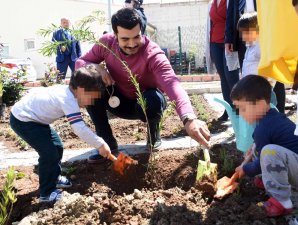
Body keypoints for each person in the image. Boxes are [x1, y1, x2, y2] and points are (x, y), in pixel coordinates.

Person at [75, 8, 210, 163]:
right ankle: (107, 144)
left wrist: (189, 118)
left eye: (136, 37)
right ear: (115, 35)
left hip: (146, 105)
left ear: (142, 32)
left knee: (152, 99)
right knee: (89, 86)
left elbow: (173, 85)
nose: (132, 44)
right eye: (125, 39)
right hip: (117, 100)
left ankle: (153, 135)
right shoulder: (106, 44)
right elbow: (80, 62)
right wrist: (95, 67)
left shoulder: (153, 54)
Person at [10, 66, 111, 202]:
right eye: (91, 98)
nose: (91, 102)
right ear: (80, 90)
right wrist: (100, 144)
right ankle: (46, 193)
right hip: (23, 120)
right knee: (49, 154)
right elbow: (79, 128)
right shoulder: (67, 100)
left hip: (36, 119)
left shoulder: (69, 93)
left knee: (57, 146)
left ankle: (54, 177)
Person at [231, 75, 298, 217]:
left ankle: (282, 201)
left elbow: (259, 164)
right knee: (257, 147)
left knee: (268, 152)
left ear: (261, 105)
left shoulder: (264, 128)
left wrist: (245, 168)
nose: (241, 114)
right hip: (295, 165)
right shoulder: (272, 118)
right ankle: (269, 181)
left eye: (243, 109)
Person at [207, 0, 239, 122]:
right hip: (215, 43)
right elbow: (210, 24)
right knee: (223, 78)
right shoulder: (212, 3)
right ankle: (228, 109)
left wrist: (232, 40)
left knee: (231, 76)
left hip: (229, 43)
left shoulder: (230, 1)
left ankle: (239, 109)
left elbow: (234, 18)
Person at [237, 12, 260, 77]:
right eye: (242, 33)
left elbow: (269, 65)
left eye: (248, 33)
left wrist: (267, 82)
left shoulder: (259, 47)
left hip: (259, 84)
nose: (244, 36)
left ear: (257, 29)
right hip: (249, 83)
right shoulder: (249, 46)